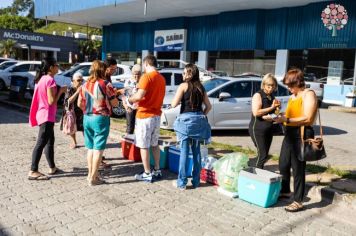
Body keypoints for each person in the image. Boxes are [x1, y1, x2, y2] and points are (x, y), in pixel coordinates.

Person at [274, 68, 318, 212]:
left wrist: (286, 119)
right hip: (290, 133)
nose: (288, 88)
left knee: (298, 168)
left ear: (298, 82)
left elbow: (308, 118)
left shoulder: (308, 94)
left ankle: (298, 200)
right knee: (283, 163)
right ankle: (286, 190)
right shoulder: (294, 96)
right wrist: (278, 114)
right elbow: (289, 116)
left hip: (302, 133)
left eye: (290, 85)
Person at [170, 63, 212, 190]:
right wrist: (201, 115)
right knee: (196, 151)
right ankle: (196, 181)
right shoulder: (201, 87)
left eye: (185, 73)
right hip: (198, 121)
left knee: (184, 151)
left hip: (185, 122)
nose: (183, 75)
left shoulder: (183, 86)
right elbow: (209, 107)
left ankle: (181, 183)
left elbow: (173, 104)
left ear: (190, 74)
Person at [77, 60, 119, 186]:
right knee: (98, 149)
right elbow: (115, 103)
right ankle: (93, 178)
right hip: (101, 118)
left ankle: (90, 174)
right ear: (102, 70)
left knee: (90, 148)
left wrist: (88, 110)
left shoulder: (85, 84)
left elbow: (79, 103)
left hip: (87, 118)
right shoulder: (105, 84)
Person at [126, 55, 165, 182]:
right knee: (154, 144)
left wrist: (128, 99)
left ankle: (147, 173)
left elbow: (138, 96)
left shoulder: (146, 77)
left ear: (146, 64)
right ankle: (157, 169)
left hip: (144, 116)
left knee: (144, 145)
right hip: (156, 116)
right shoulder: (161, 78)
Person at [28, 57, 67, 180]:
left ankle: (52, 167)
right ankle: (33, 170)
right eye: (56, 65)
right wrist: (61, 91)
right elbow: (51, 101)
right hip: (46, 116)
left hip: (43, 114)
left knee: (50, 142)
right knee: (41, 143)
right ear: (51, 67)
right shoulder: (49, 80)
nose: (58, 67)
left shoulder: (42, 79)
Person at [248, 73, 280, 169]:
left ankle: (248, 164)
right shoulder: (258, 95)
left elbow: (274, 113)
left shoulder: (272, 97)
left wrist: (277, 110)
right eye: (268, 86)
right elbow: (256, 113)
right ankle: (258, 176)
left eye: (273, 86)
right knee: (262, 155)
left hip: (269, 129)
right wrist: (271, 108)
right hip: (257, 129)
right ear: (264, 85)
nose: (270, 88)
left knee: (265, 155)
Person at [62, 72, 84, 149]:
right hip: (72, 111)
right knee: (72, 126)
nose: (80, 82)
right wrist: (77, 92)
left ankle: (88, 142)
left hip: (81, 110)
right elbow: (68, 101)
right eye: (78, 80)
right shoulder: (70, 89)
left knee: (84, 127)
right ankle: (74, 141)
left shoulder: (83, 88)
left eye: (82, 80)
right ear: (73, 81)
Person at [122, 64, 141, 135]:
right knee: (130, 128)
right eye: (135, 75)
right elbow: (124, 95)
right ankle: (128, 143)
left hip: (140, 108)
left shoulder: (143, 81)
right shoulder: (128, 82)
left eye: (138, 75)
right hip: (130, 107)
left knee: (139, 128)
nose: (136, 77)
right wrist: (126, 106)